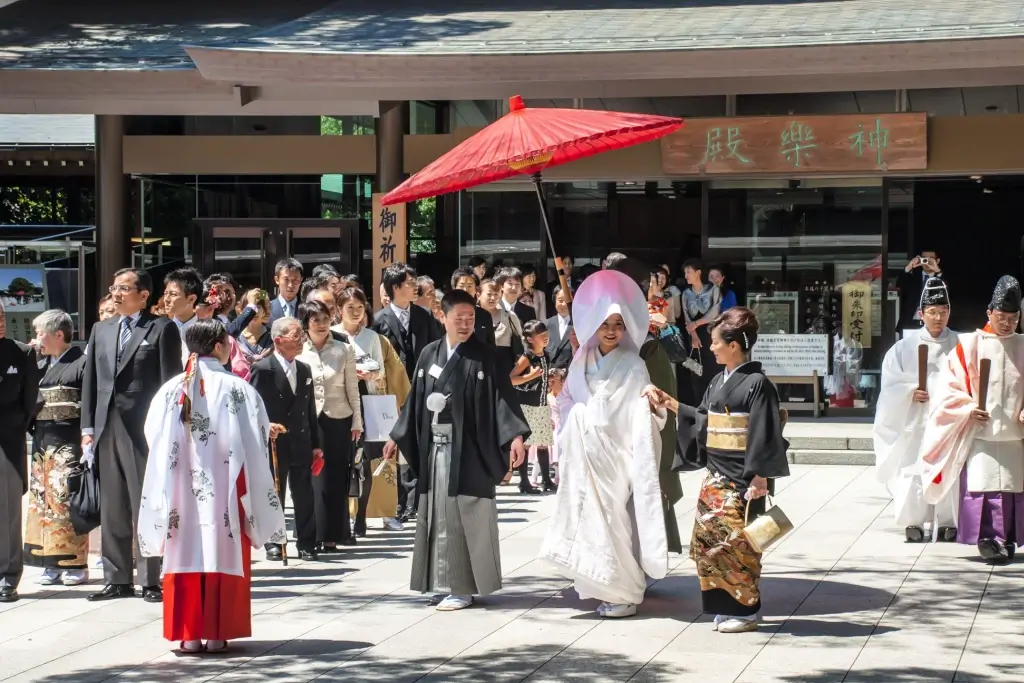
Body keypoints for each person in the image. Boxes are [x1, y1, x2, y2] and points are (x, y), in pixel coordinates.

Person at [140, 320, 287, 654]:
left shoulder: (171, 389)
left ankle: (188, 634)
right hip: (226, 486)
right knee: (223, 547)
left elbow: (153, 436)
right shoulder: (238, 388)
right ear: (221, 346)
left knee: (184, 549)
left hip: (180, 486)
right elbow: (255, 435)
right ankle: (219, 633)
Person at [385, 289, 529, 612]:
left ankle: (463, 587)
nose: (465, 324)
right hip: (435, 449)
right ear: (442, 316)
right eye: (458, 318)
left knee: (465, 514)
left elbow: (503, 400)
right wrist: (397, 436)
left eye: (470, 318)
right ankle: (443, 582)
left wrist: (515, 437)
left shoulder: (487, 357)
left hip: (470, 451)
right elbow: (414, 402)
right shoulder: (428, 355)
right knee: (437, 514)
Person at [540, 270, 668, 619]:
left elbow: (641, 412)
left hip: (614, 452)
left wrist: (649, 405)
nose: (611, 330)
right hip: (584, 451)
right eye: (605, 323)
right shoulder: (580, 359)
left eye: (618, 324)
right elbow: (566, 401)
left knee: (613, 520)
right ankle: (600, 585)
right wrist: (577, 416)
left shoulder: (634, 364)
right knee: (590, 520)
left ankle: (625, 590)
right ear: (594, 324)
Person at [662, 307, 790, 634]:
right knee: (709, 542)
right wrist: (672, 404)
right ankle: (723, 605)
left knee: (739, 544)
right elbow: (704, 419)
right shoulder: (719, 380)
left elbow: (763, 431)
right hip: (716, 475)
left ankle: (745, 610)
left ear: (734, 345)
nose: (711, 347)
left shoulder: (758, 383)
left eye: (716, 341)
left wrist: (760, 475)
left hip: (744, 477)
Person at [82, 267, 181, 604]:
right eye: (114, 287)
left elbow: (171, 384)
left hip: (143, 429)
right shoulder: (102, 329)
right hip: (106, 426)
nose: (116, 293)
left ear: (143, 295)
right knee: (113, 504)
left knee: (146, 503)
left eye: (124, 288)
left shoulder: (161, 329)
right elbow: (91, 383)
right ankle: (116, 577)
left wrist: (169, 431)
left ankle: (151, 579)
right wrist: (87, 429)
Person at [921, 275, 1024, 563]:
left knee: (1012, 487)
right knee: (983, 485)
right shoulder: (969, 346)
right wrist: (967, 408)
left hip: (1016, 434)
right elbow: (948, 388)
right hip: (980, 432)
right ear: (989, 313)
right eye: (1002, 317)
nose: (1007, 323)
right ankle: (988, 539)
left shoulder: (1023, 345)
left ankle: (1008, 539)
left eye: (1013, 318)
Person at [874, 277, 959, 543]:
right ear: (921, 314)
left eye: (943, 312)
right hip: (914, 419)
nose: (938, 317)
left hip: (948, 419)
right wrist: (910, 392)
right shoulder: (902, 348)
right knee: (913, 467)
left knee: (949, 467)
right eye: (933, 312)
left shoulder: (961, 345)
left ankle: (948, 521)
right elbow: (889, 387)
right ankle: (913, 521)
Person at [334, 287, 410, 534]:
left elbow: (381, 369)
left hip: (367, 398)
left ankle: (362, 517)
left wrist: (372, 373)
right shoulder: (333, 334)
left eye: (359, 307)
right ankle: (343, 514)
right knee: (341, 460)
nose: (356, 312)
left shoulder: (373, 337)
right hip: (340, 400)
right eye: (349, 308)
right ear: (339, 310)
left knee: (365, 460)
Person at [372, 262, 442, 522]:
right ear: (395, 288)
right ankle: (396, 502)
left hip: (421, 391)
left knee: (418, 444)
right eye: (410, 283)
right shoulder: (378, 321)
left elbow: (437, 351)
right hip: (390, 394)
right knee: (392, 447)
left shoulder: (425, 316)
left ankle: (414, 502)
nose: (416, 287)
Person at [249, 317, 322, 561]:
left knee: (304, 493)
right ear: (278, 340)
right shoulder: (263, 368)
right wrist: (264, 425)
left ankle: (307, 542)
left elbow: (310, 409)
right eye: (296, 334)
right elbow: (253, 406)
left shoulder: (304, 369)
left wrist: (316, 445)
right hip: (274, 441)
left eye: (302, 334)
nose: (301, 339)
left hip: (300, 439)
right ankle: (274, 540)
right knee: (274, 492)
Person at [24, 310, 88, 588]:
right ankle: (47, 563)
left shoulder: (81, 363)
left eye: (42, 333)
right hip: (42, 440)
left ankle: (74, 561)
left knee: (65, 500)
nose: (38, 338)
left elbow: (88, 402)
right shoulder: (38, 364)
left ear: (58, 335)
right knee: (41, 502)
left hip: (68, 440)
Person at [297, 300, 362, 552]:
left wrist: (357, 421)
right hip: (309, 420)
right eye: (315, 320)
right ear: (306, 324)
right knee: (313, 479)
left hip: (338, 419)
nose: (322, 325)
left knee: (335, 478)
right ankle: (312, 533)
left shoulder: (344, 349)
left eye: (325, 319)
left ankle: (333, 533)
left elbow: (353, 389)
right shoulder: (300, 351)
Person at [0, 303, 42, 603]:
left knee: (7, 512)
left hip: (8, 440)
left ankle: (8, 575)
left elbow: (30, 401)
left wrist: (16, 426)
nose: (0, 322)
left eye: (2, 316)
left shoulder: (21, 353)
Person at [510, 320, 557, 493]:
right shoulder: (526, 357)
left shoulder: (546, 355)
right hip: (527, 405)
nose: (545, 338)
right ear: (530, 339)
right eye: (541, 336)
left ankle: (546, 479)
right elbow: (511, 379)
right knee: (527, 445)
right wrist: (531, 376)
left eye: (546, 335)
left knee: (543, 443)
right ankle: (524, 482)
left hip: (541, 402)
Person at [682, 258, 723, 401]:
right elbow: (686, 316)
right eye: (685, 272)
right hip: (694, 335)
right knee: (695, 369)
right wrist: (693, 334)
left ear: (698, 272)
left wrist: (696, 323)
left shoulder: (713, 289)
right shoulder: (686, 293)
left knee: (713, 367)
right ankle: (698, 402)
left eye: (688, 272)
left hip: (711, 332)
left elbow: (715, 312)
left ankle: (714, 400)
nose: (686, 275)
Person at [163, 268, 202, 369]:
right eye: (165, 293)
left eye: (173, 294)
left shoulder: (208, 332)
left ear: (191, 299)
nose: (166, 300)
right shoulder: (159, 330)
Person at [897, 250, 944, 330]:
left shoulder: (940, 278)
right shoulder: (913, 277)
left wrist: (937, 271)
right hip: (911, 322)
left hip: (933, 323)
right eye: (924, 259)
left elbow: (945, 290)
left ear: (937, 261)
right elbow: (899, 284)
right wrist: (909, 267)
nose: (927, 262)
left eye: (930, 259)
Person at [451, 266, 495, 346]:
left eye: (469, 286)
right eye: (461, 286)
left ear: (476, 289)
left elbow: (491, 345)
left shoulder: (484, 315)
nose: (465, 290)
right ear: (454, 288)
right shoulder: (447, 313)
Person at [237, 291, 274, 363]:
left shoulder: (272, 336)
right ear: (242, 311)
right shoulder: (236, 337)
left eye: (259, 306)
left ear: (264, 311)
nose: (255, 311)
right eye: (250, 306)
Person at [545, 286, 574, 371]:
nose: (564, 304)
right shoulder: (546, 324)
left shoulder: (579, 325)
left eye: (567, 300)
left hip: (570, 373)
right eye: (560, 300)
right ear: (555, 302)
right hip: (550, 374)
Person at [269, 258, 303, 324]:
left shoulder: (307, 309)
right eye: (286, 280)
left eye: (295, 280)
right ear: (277, 280)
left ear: (301, 280)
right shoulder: (267, 309)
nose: (290, 285)